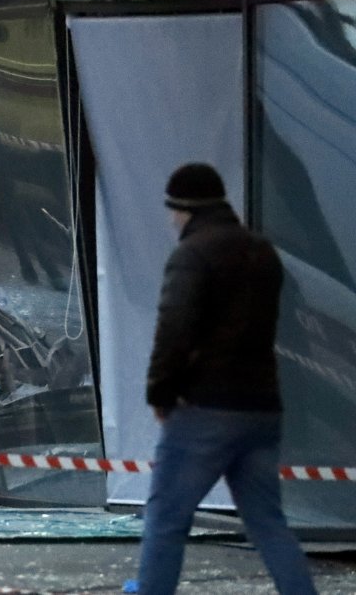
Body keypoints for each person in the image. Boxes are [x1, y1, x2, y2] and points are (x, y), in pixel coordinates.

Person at [138, 163, 316, 594]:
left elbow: (174, 329)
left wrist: (160, 392)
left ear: (184, 209)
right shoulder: (263, 252)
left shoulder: (192, 254)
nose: (170, 221)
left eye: (172, 212)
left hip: (205, 407)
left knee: (166, 519)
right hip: (261, 408)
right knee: (269, 524)